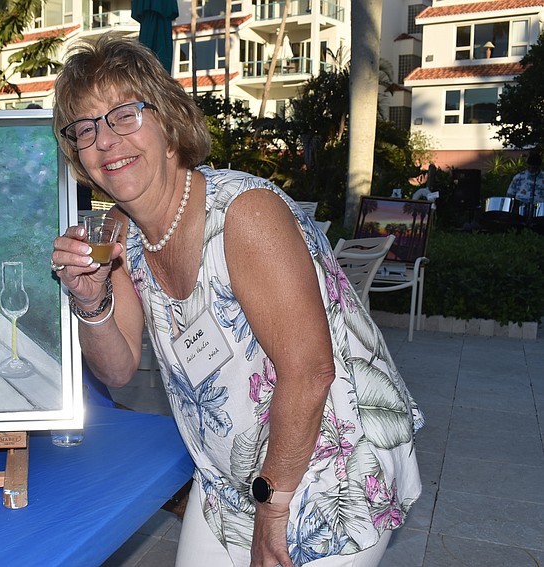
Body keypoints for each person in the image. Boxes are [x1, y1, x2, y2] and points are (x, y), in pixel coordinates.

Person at [49, 33, 423, 567]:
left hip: (327, 467)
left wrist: (272, 519)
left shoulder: (245, 214)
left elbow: (310, 371)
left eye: (124, 115)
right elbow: (117, 370)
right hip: (231, 470)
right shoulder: (119, 232)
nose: (105, 140)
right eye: (85, 128)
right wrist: (91, 300)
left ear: (170, 124)